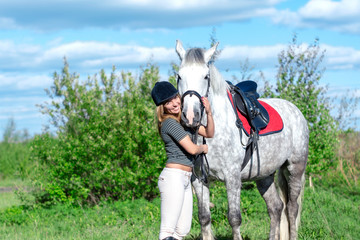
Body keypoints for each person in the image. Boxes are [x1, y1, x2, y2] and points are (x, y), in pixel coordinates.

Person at [151, 81, 214, 240]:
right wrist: (203, 149)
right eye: (168, 102)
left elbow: (209, 132)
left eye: (175, 98)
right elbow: (192, 149)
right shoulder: (169, 123)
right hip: (173, 177)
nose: (174, 104)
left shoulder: (184, 121)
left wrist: (209, 113)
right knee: (167, 230)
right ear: (162, 107)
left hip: (185, 179)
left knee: (182, 230)